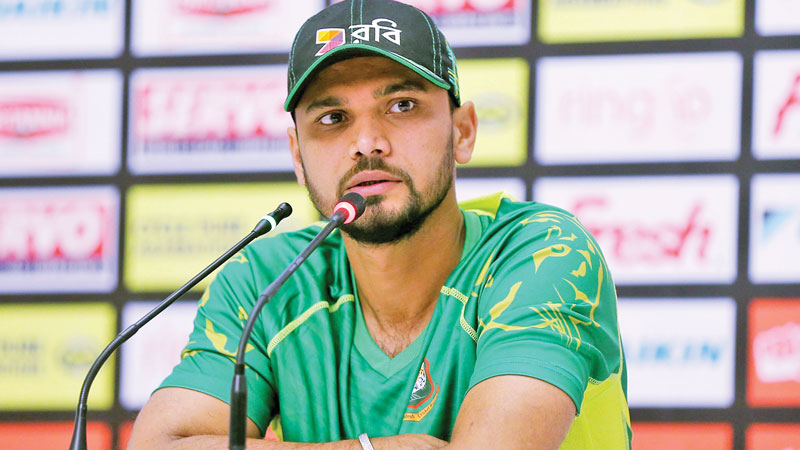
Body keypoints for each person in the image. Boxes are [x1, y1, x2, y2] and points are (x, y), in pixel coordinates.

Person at [128, 0, 631, 448]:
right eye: (333, 118)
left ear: (462, 131)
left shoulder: (544, 251)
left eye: (402, 106)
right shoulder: (268, 279)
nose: (367, 142)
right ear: (297, 156)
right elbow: (161, 444)